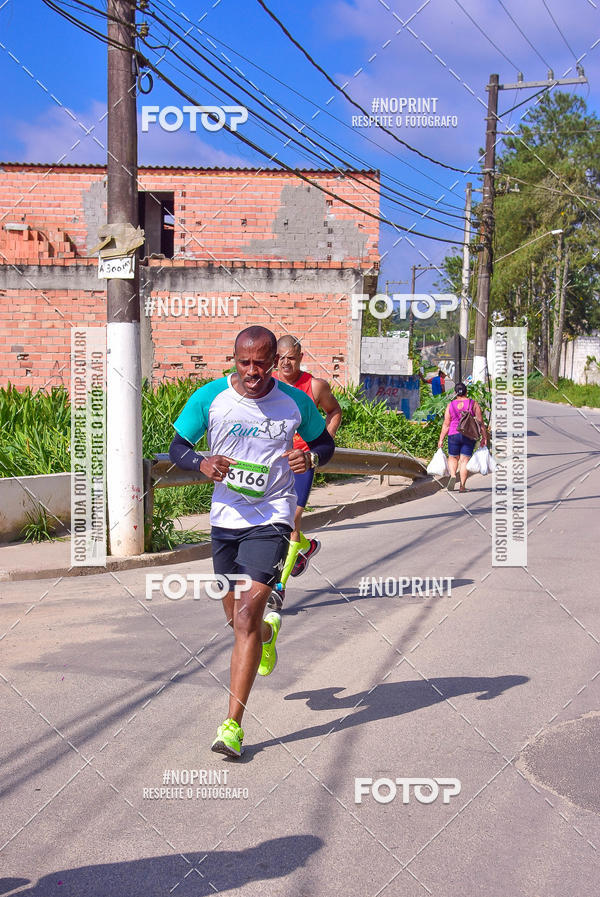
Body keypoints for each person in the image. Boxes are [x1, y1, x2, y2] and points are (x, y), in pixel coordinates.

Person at [168, 325, 335, 758]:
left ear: (273, 362)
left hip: (274, 516)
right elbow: (177, 447)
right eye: (245, 363)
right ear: (234, 359)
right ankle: (267, 632)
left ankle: (232, 726)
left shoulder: (295, 400)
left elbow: (324, 443)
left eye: (261, 364)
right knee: (237, 620)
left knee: (242, 618)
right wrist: (201, 463)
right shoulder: (210, 398)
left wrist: (312, 457)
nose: (253, 372)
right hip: (226, 519)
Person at [268, 334, 342, 609]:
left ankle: (279, 585)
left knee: (291, 517)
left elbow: (334, 411)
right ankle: (305, 547)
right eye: (281, 358)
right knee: (283, 521)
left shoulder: (315, 386)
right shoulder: (268, 386)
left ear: (300, 357)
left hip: (302, 461)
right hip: (274, 461)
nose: (286, 363)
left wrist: (321, 445)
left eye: (291, 357)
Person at [437, 382, 487, 493]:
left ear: (455, 393)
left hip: (453, 434)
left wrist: (441, 439)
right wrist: (484, 437)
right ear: (466, 392)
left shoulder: (450, 405)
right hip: (468, 435)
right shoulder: (473, 404)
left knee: (453, 457)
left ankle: (453, 475)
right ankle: (462, 486)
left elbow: (446, 424)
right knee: (464, 461)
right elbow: (480, 422)